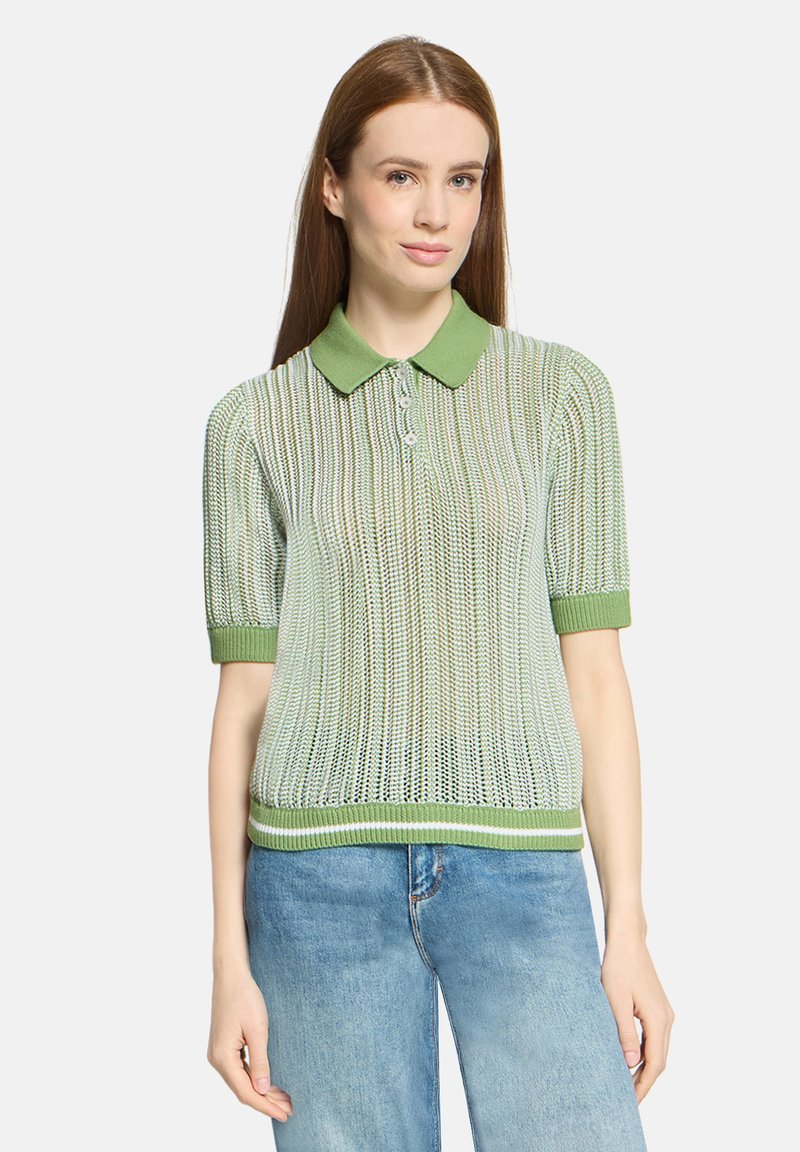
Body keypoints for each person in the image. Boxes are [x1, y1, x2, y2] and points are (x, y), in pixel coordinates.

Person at [202, 33, 674, 1152]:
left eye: (463, 179)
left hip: (523, 874)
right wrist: (227, 961)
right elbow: (243, 703)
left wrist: (628, 927)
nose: (435, 213)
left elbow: (597, 682)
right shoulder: (253, 425)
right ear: (333, 187)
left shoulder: (562, 398)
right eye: (400, 175)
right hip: (313, 885)